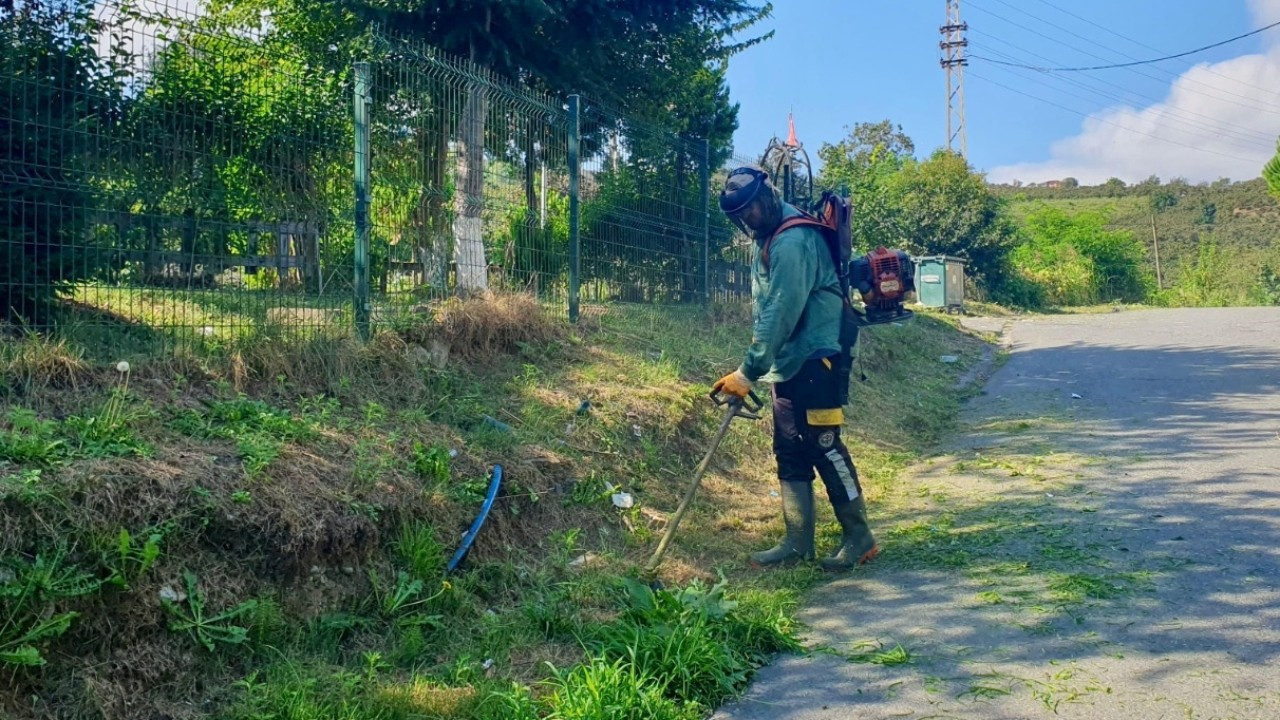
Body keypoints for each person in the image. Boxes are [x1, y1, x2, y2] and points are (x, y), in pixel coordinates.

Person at [712, 166, 878, 572]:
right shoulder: (767, 236)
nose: (747, 220)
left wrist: (747, 372)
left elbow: (781, 310)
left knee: (822, 444)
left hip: (818, 358)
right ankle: (797, 542)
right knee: (789, 449)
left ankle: (860, 537)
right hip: (789, 363)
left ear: (768, 195)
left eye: (751, 210)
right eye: (740, 217)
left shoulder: (792, 241)